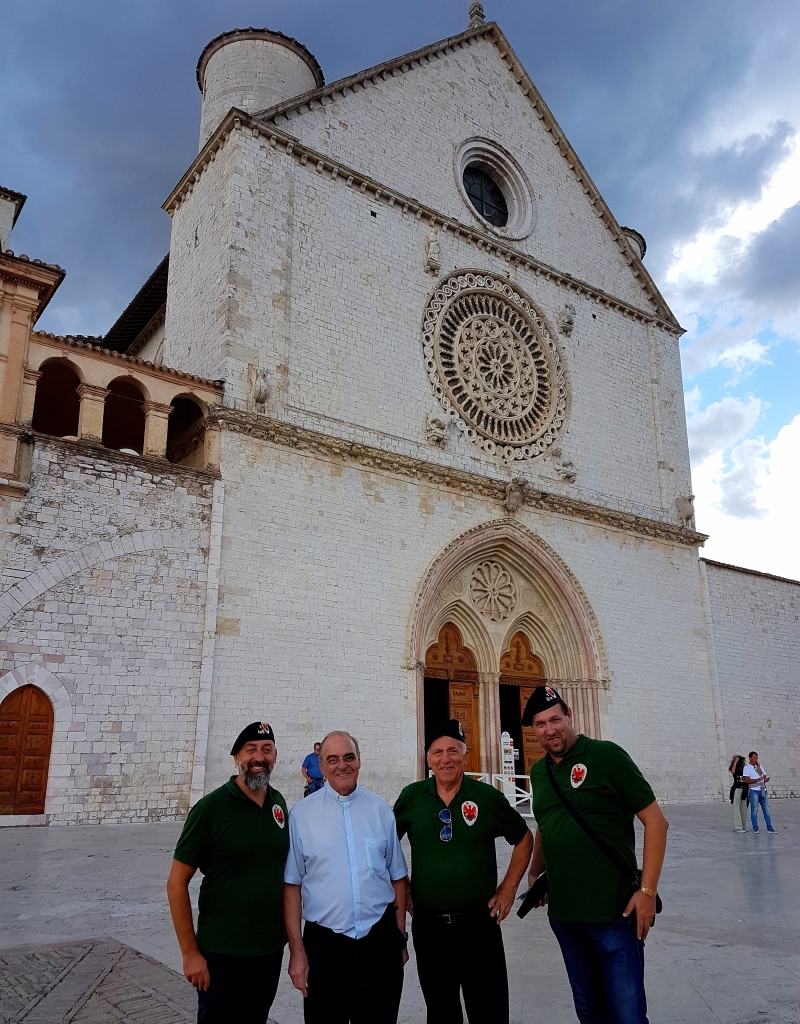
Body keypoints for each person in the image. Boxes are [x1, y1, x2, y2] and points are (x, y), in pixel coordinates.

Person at [523, 686, 668, 1024]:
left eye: (555, 720)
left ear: (569, 715)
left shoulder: (606, 756)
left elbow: (656, 823)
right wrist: (534, 871)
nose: (550, 730)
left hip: (614, 915)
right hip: (565, 918)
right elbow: (546, 822)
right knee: (590, 1014)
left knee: (628, 1016)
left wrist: (647, 892)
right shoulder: (539, 772)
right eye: (540, 725)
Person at [394, 720, 533, 1024]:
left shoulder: (486, 797)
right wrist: (404, 886)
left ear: (464, 755)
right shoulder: (412, 797)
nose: (445, 758)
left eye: (453, 751)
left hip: (479, 926)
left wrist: (509, 888)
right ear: (428, 758)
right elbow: (387, 848)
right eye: (437, 752)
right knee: (442, 1012)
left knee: (490, 1011)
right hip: (429, 929)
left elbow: (524, 838)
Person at [167, 721, 289, 1024]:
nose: (259, 757)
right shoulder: (210, 810)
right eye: (250, 750)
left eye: (267, 750)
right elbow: (176, 883)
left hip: (268, 950)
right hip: (223, 952)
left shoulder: (279, 804)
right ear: (236, 758)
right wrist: (190, 953)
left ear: (275, 756)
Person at [284, 730, 409, 1023]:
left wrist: (399, 938)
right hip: (325, 949)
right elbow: (291, 886)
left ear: (359, 761)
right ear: (322, 766)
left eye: (349, 757)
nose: (342, 765)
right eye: (333, 759)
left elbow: (398, 878)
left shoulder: (380, 810)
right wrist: (297, 952)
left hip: (379, 946)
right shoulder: (301, 816)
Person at [743, 751, 776, 833]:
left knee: (766, 810)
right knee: (754, 810)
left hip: (762, 790)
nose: (756, 760)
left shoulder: (759, 766)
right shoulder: (746, 768)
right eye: (754, 758)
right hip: (754, 790)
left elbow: (763, 776)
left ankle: (769, 827)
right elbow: (747, 780)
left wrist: (765, 779)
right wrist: (757, 780)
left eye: (757, 758)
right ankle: (755, 827)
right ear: (750, 758)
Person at [728, 755, 749, 833]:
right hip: (737, 789)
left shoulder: (745, 769)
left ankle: (743, 826)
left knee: (744, 808)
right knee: (736, 808)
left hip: (744, 790)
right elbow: (732, 771)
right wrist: (735, 762)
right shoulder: (735, 768)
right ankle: (737, 827)